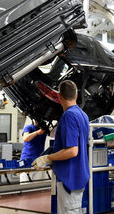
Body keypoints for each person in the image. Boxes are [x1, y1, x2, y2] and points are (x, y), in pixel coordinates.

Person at [33, 81, 90, 213]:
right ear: (76, 95)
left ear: (59, 97)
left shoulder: (69, 116)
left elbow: (72, 151)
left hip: (69, 179)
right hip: (78, 175)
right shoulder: (83, 115)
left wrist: (47, 158)